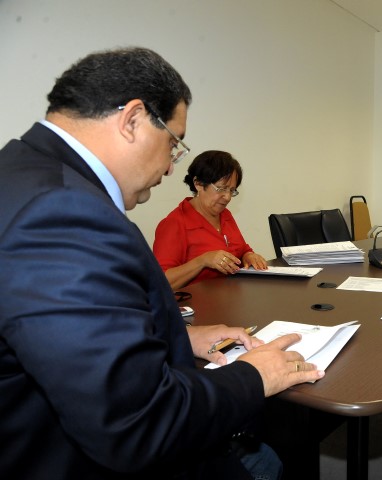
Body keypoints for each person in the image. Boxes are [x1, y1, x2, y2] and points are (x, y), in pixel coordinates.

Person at [0, 47, 323, 480]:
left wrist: (181, 335)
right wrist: (252, 376)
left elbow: (64, 338)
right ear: (132, 120)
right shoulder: (63, 213)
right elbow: (136, 423)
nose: (172, 168)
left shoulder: (20, 173)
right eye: (174, 142)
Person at [154, 150, 267, 290]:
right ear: (198, 184)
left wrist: (249, 256)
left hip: (231, 301)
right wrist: (203, 261)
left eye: (232, 190)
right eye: (221, 189)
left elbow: (241, 250)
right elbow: (161, 282)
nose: (227, 197)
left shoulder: (225, 215)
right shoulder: (174, 224)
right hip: (198, 307)